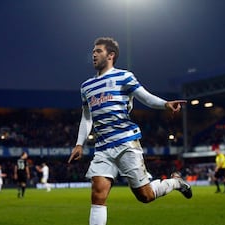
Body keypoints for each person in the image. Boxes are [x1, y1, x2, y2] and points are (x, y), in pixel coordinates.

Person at [68, 37, 192, 225]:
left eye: (98, 51)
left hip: (126, 143)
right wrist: (79, 144)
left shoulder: (124, 77)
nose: (94, 54)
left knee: (145, 196)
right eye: (93, 51)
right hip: (102, 148)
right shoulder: (86, 87)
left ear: (111, 55)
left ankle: (176, 182)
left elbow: (146, 97)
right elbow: (87, 117)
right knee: (98, 194)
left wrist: (165, 104)